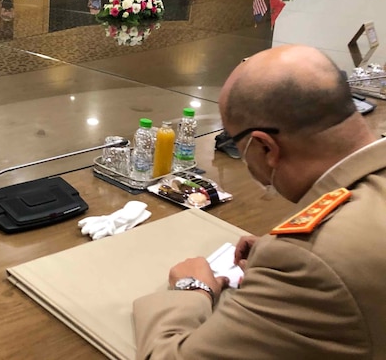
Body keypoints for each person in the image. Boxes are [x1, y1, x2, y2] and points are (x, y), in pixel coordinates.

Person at [134, 44, 386, 358]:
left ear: (265, 148)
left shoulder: (309, 263)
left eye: (238, 146)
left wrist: (193, 289)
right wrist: (275, 257)